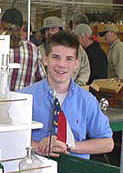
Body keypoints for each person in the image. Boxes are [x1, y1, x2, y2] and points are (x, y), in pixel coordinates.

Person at [20, 31, 113, 159]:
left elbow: (107, 143)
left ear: (76, 64)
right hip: (34, 170)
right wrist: (36, 147)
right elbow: (8, 136)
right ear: (45, 60)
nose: (62, 64)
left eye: (69, 59)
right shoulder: (24, 98)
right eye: (56, 57)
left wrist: (69, 146)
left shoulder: (87, 101)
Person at [0, 9, 46, 90]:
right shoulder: (33, 49)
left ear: (1, 26)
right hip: (24, 101)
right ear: (21, 28)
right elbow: (42, 80)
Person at [39, 16, 90, 85]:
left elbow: (85, 69)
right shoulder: (38, 50)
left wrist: (79, 84)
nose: (50, 32)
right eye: (47, 30)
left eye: (53, 29)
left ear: (60, 30)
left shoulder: (76, 48)